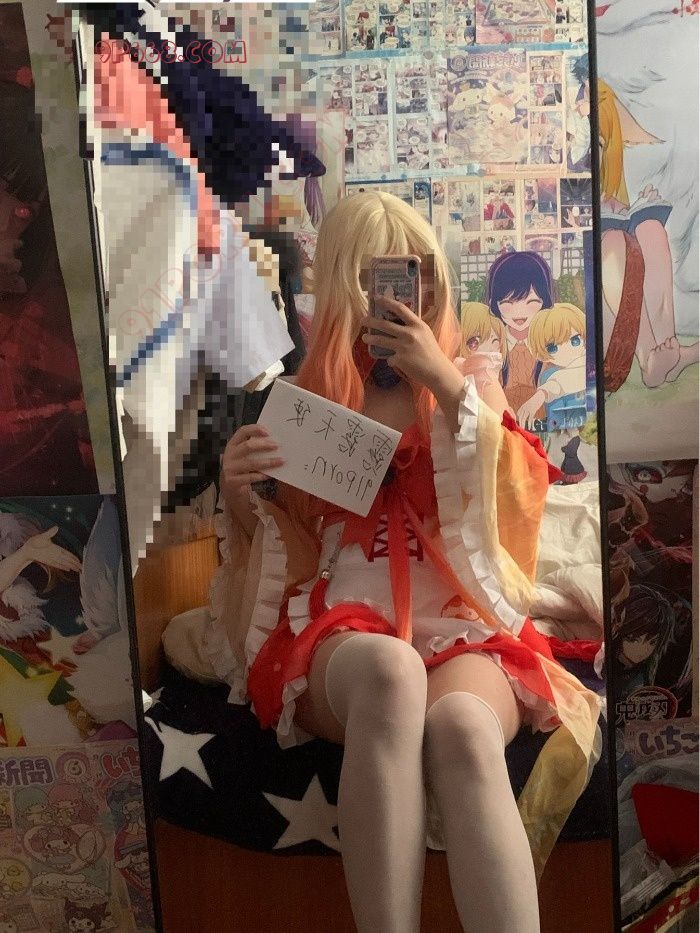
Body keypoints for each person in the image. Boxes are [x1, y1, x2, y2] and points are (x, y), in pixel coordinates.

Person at [217, 193, 600, 933]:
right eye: (375, 278)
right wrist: (240, 493)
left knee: (462, 729)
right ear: (342, 287)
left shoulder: (470, 382)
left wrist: (448, 386)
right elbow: (290, 544)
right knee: (391, 675)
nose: (400, 295)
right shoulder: (306, 399)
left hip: (456, 619)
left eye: (415, 274)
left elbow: (521, 499)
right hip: (349, 625)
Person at [519, 302, 586, 430]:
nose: (566, 351)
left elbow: (571, 377)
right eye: (553, 348)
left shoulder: (586, 363)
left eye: (575, 340)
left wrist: (542, 394)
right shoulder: (550, 374)